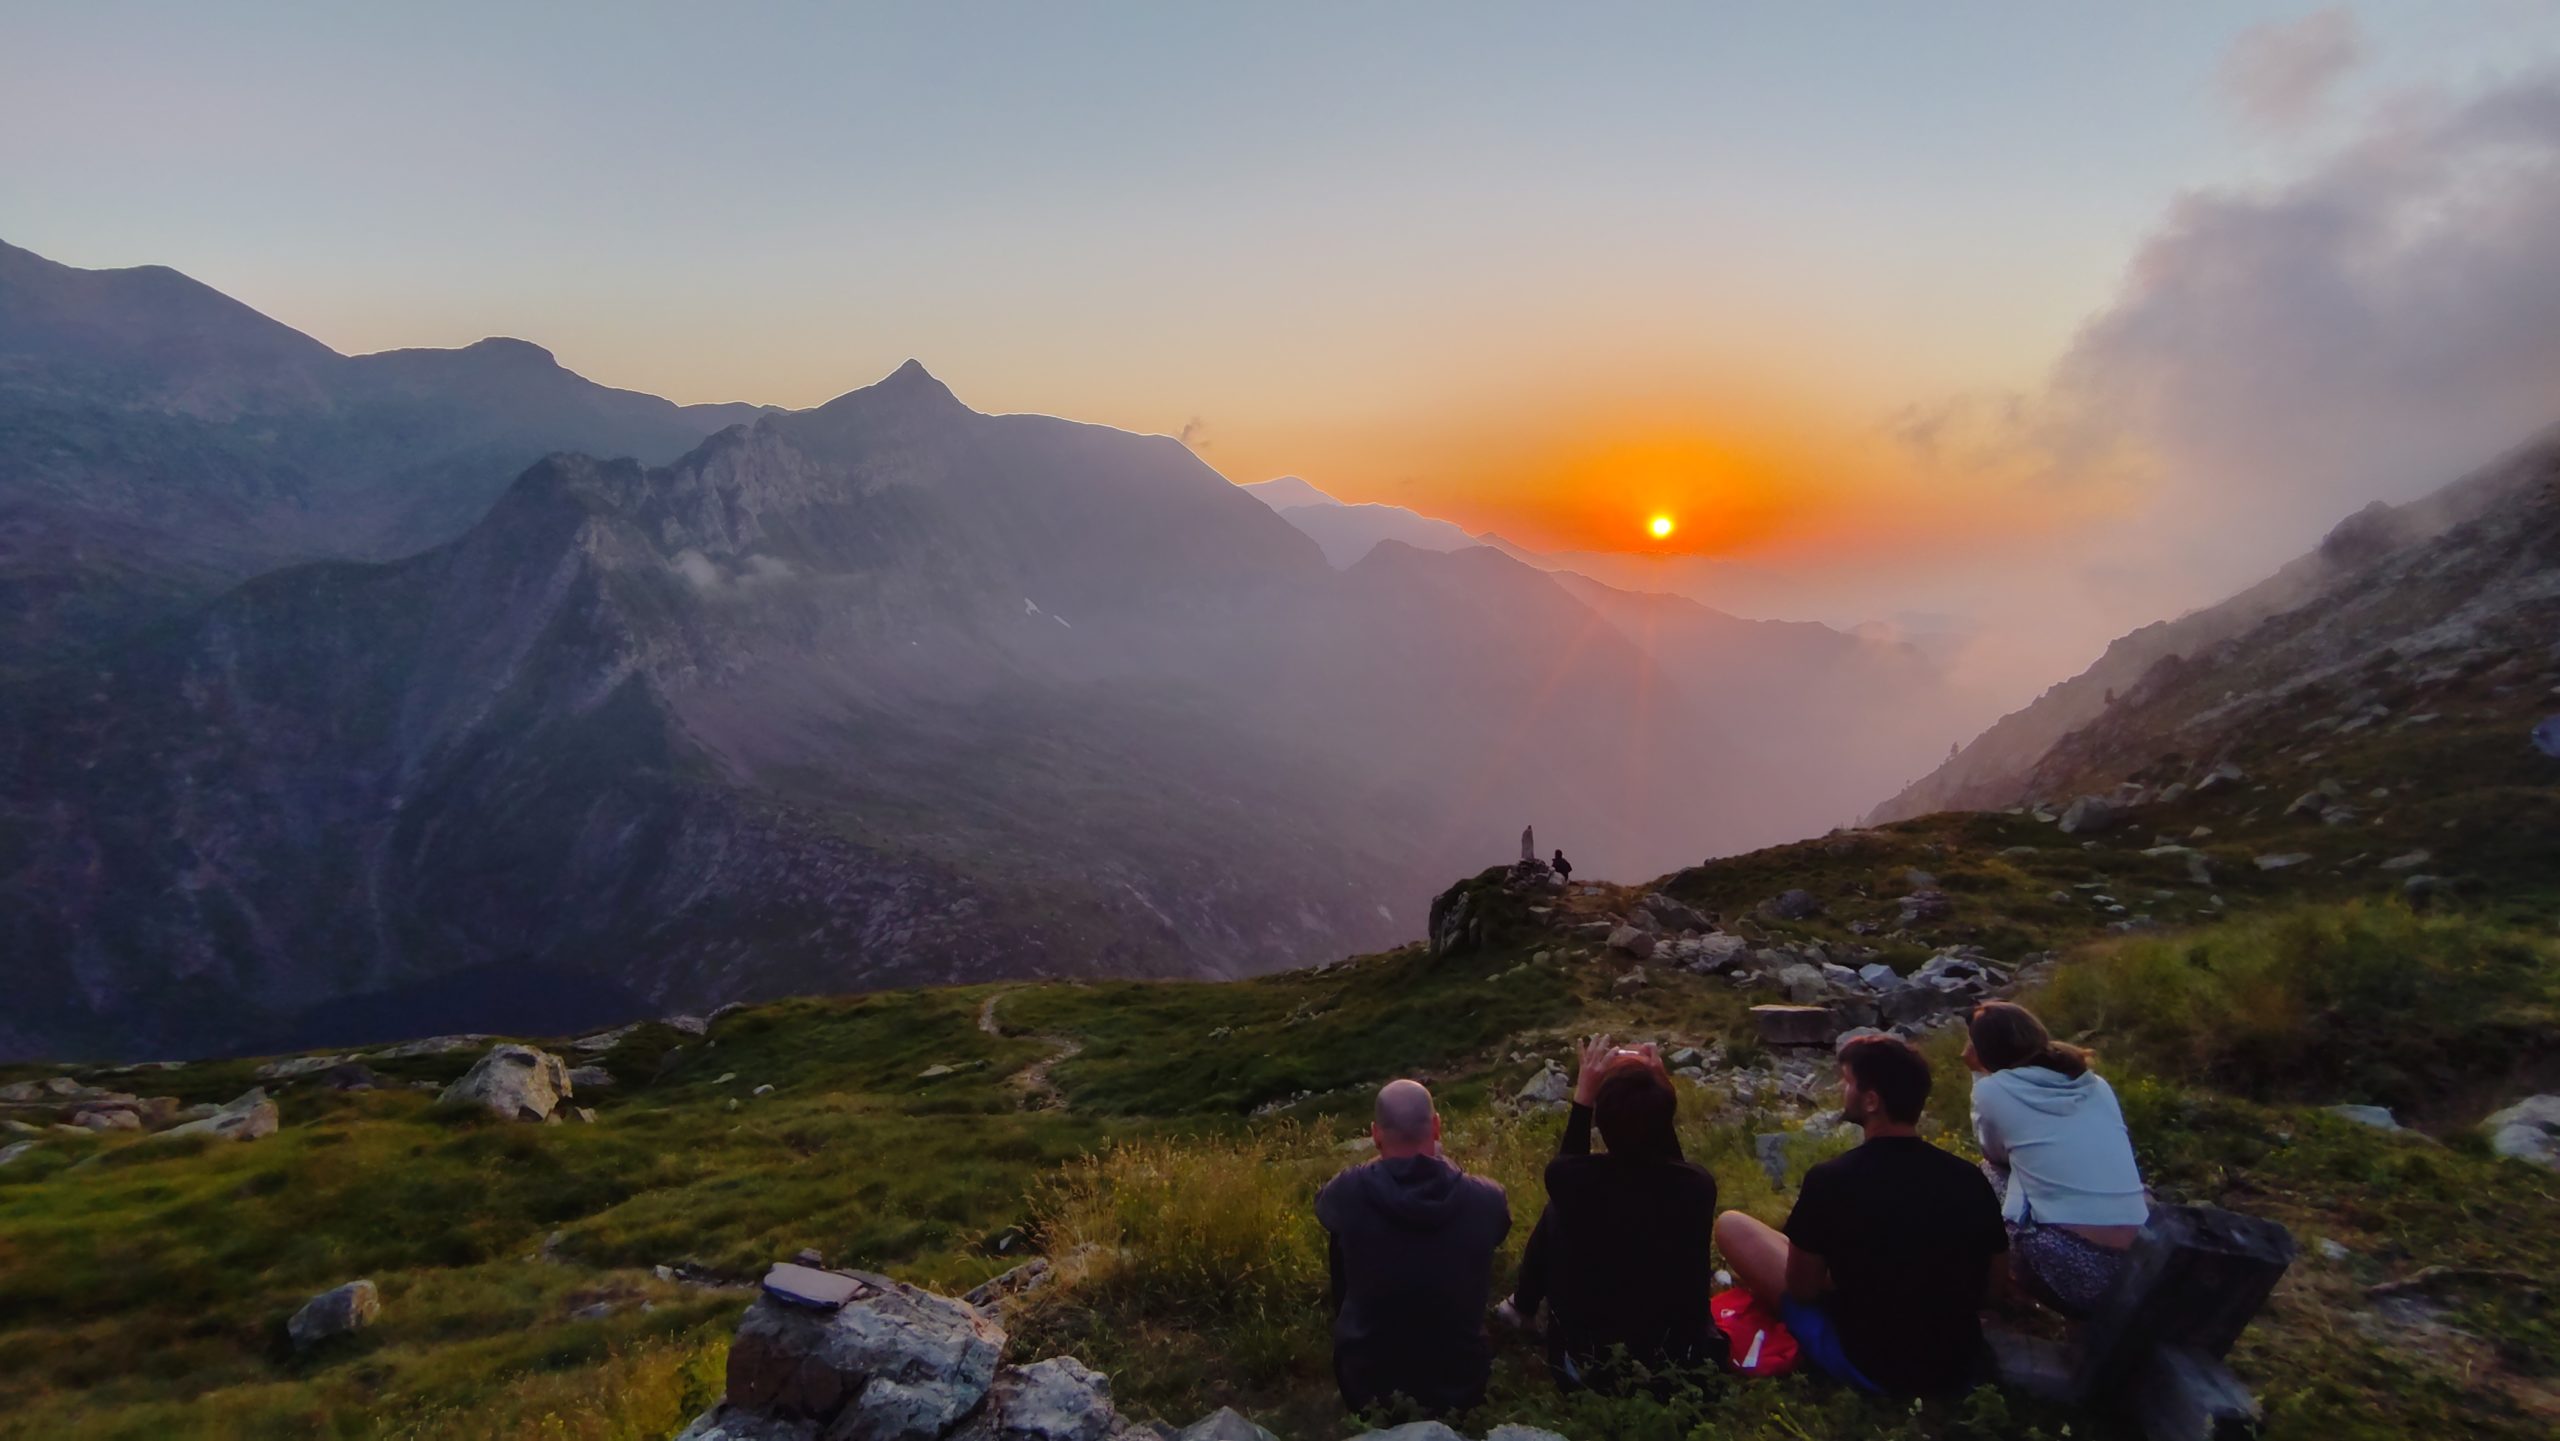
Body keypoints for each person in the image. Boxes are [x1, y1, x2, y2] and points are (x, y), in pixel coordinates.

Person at [1714, 1035, 2007, 1396]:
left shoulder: (1831, 1179)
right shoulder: (1967, 1177)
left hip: (1871, 1364)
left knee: (1732, 1225)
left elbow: (1802, 1290)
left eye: (1849, 1081)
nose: (1843, 1089)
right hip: (1960, 1365)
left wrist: (1840, 1278)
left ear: (1872, 1101)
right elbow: (1994, 1287)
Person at [1501, 1037, 1724, 1392]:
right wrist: (1659, 1089)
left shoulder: (1573, 1183)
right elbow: (1672, 1165)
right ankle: (1521, 1307)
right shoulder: (1696, 1187)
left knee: (1556, 1211)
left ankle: (1521, 1308)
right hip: (1676, 1372)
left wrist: (1583, 1096)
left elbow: (1565, 1168)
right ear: (1666, 1116)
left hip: (1586, 1372)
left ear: (1600, 1122)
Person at [1316, 1079, 1512, 1415]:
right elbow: (1496, 1229)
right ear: (1436, 1127)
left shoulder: (1347, 1192)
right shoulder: (1487, 1198)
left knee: (1342, 1232)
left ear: (1375, 1134)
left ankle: (1356, 1331)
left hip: (1366, 1387)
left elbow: (1324, 1209)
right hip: (1461, 1386)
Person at [1965, 1001, 2148, 1316]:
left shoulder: (1993, 1090)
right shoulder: (2095, 1084)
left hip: (2075, 1272)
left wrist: (1978, 1075)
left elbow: (1993, 1153)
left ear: (1985, 1052)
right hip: (2142, 1263)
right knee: (2028, 1172)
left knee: (1982, 1179)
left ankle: (1994, 1294)